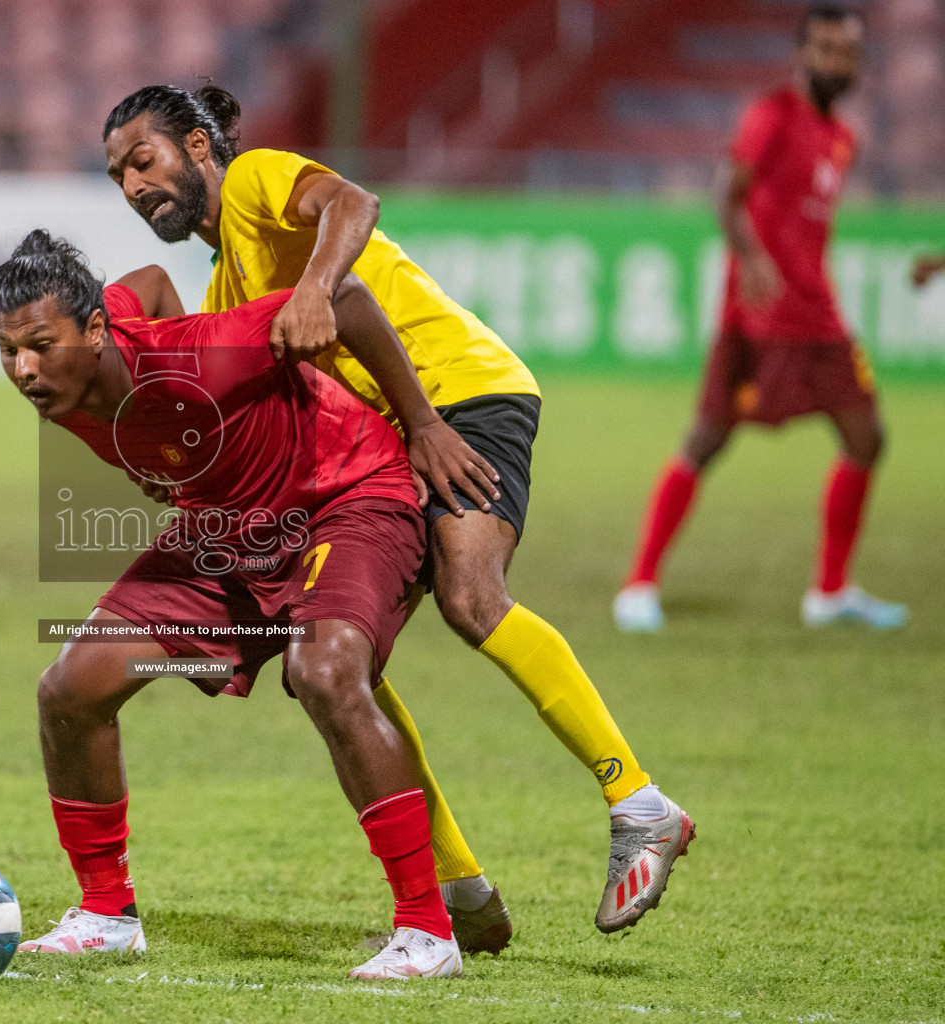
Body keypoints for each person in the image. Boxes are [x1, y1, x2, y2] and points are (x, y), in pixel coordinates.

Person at [101, 85, 693, 939]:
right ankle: (461, 890)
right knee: (345, 661)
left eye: (143, 160)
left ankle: (638, 804)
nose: (132, 186)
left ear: (198, 148)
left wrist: (315, 285)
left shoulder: (261, 181)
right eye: (118, 175)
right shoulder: (225, 289)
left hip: (464, 394)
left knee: (471, 596)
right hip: (392, 443)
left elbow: (355, 202)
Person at [0, 229, 468, 979]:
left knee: (324, 673)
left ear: (93, 332)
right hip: (223, 529)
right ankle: (107, 915)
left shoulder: (202, 355)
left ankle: (427, 931)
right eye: (7, 351)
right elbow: (145, 280)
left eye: (40, 346)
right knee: (71, 689)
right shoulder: (71, 371)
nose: (23, 370)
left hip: (345, 499)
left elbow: (343, 297)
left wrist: (426, 425)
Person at [615, 4, 908, 633]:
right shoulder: (771, 115)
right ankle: (638, 583)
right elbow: (726, 189)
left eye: (848, 51)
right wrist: (750, 257)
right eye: (826, 48)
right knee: (708, 438)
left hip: (820, 319)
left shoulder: (843, 137)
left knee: (868, 438)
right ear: (800, 53)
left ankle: (830, 592)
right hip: (758, 317)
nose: (837, 62)